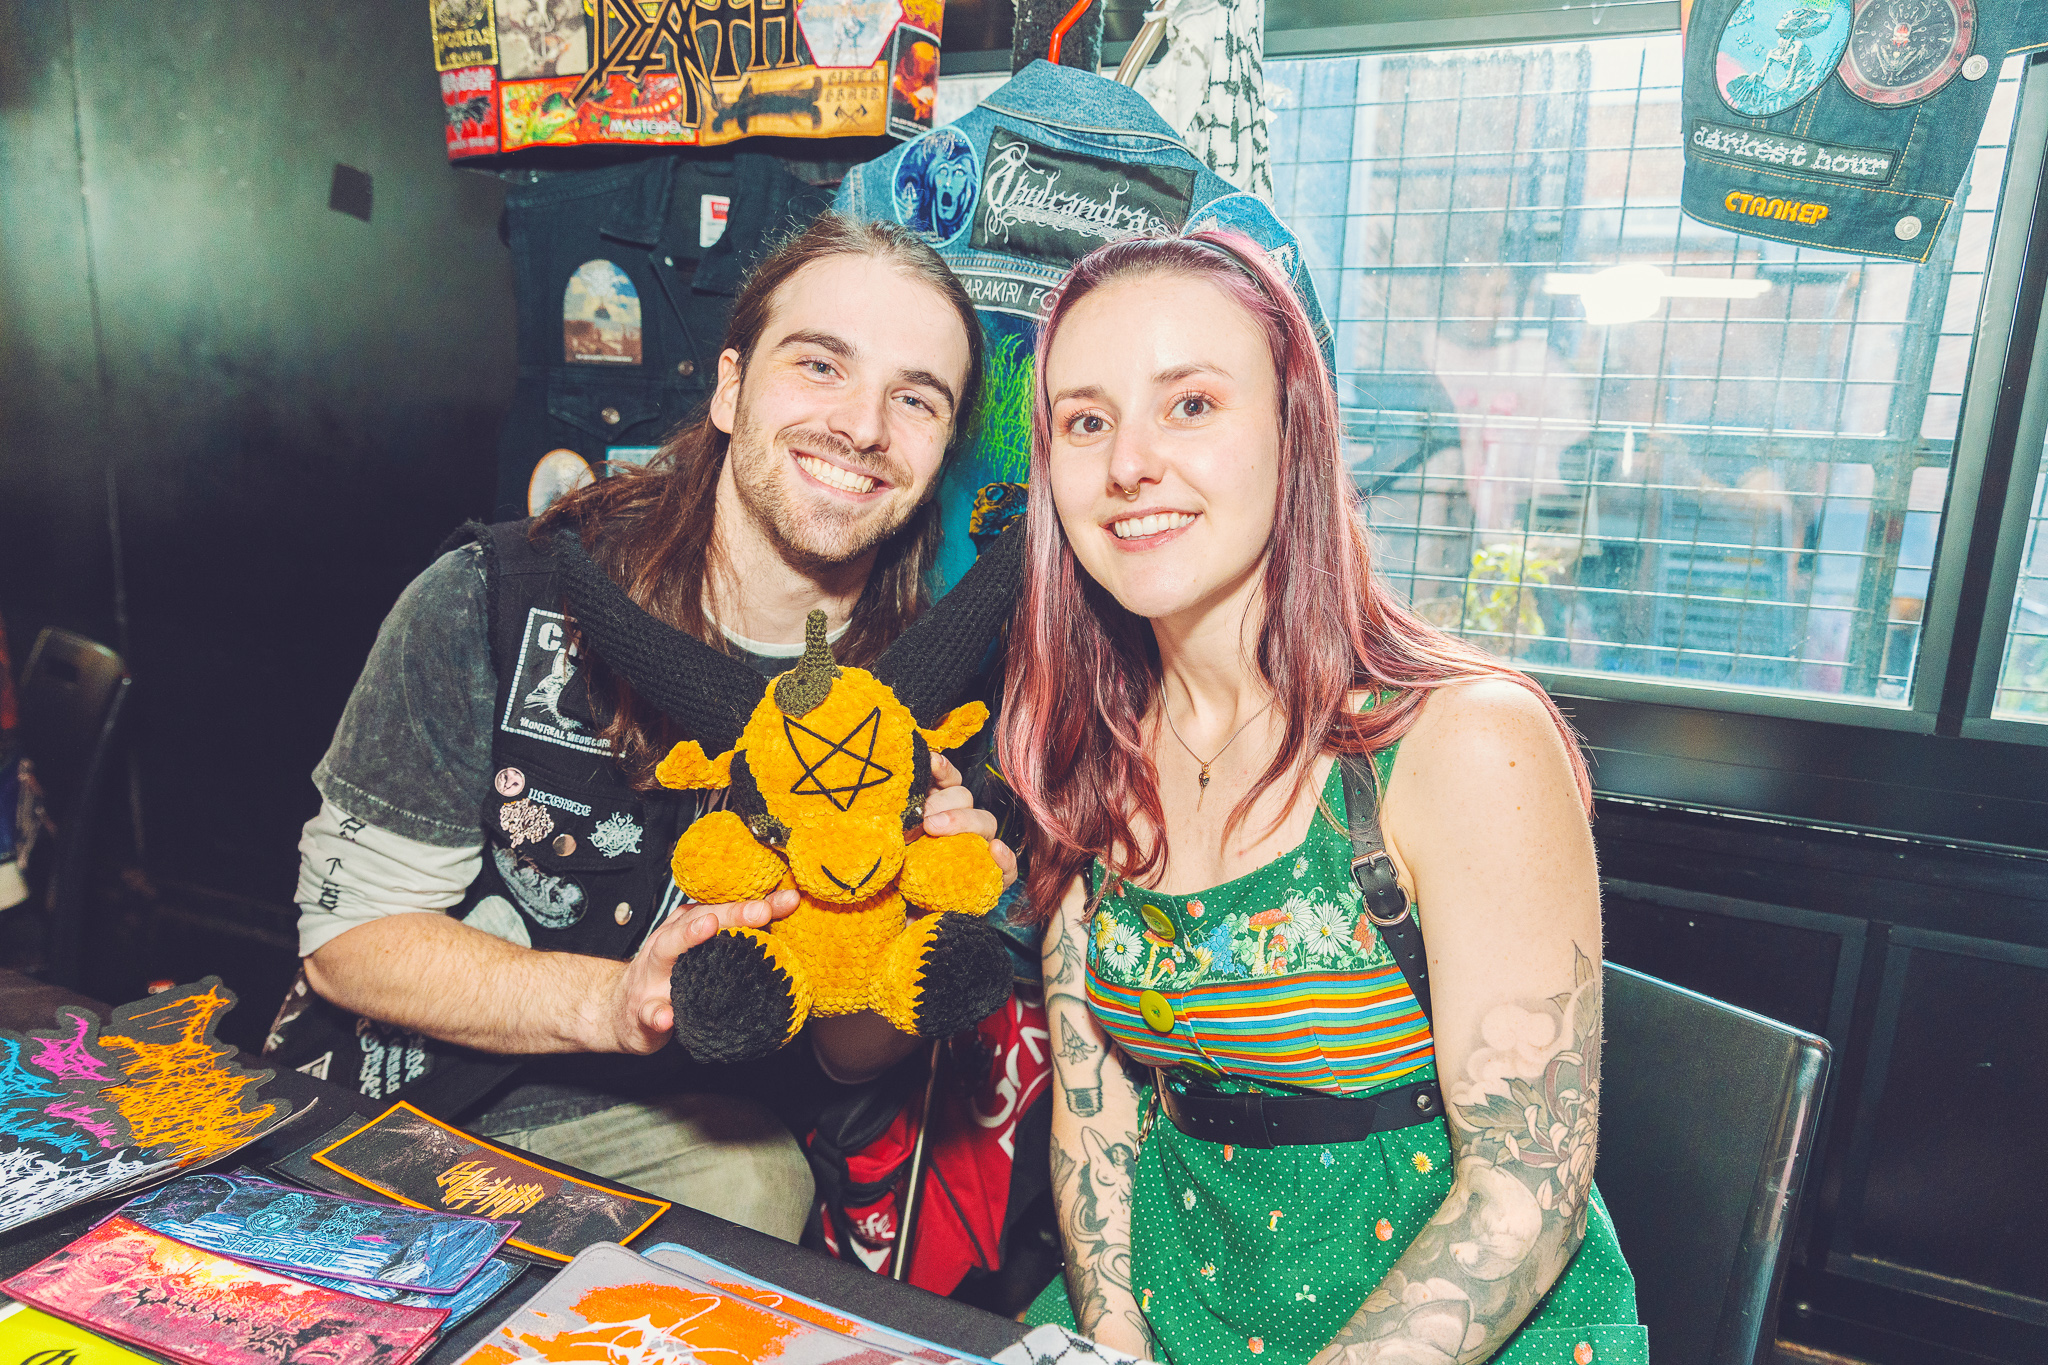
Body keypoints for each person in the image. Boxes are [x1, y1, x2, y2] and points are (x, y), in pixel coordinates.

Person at [265, 214, 1014, 1244]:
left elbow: (848, 1057)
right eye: (820, 364)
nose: (864, 426)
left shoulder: (918, 706)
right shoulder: (494, 597)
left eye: (916, 397)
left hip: (673, 1134)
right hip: (400, 1101)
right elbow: (348, 945)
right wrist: (618, 1000)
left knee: (756, 1185)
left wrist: (912, 923)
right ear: (730, 388)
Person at [1002, 231, 1647, 1364]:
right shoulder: (1089, 746)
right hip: (1175, 1302)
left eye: (1190, 405)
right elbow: (1094, 1119)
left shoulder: (1464, 742)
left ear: (1294, 431)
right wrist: (1111, 1336)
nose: (1128, 465)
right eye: (1086, 421)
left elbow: (1521, 1200)